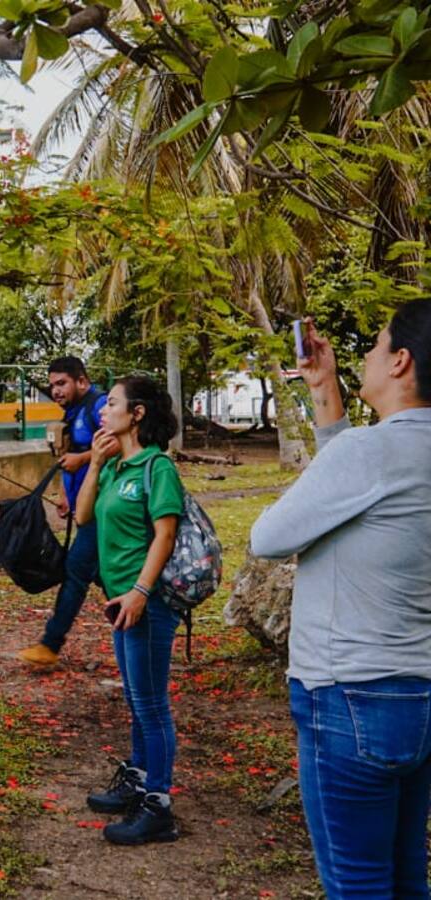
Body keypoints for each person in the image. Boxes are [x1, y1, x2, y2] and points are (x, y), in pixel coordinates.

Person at [251, 303, 431, 899]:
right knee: (406, 876)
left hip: (349, 693)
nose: (368, 356)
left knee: (356, 885)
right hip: (417, 694)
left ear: (401, 361)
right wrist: (325, 389)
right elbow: (362, 486)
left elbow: (268, 539)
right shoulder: (393, 454)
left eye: (377, 345)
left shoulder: (367, 455)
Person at [74, 375, 183, 845]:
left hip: (148, 603)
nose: (102, 410)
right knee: (137, 701)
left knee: (152, 704)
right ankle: (139, 779)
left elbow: (165, 534)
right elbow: (82, 517)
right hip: (119, 601)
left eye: (112, 403)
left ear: (137, 414)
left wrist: (141, 591)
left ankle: (158, 805)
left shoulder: (157, 467)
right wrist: (96, 464)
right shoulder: (119, 466)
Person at [18, 356, 106, 670]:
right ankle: (142, 624)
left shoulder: (100, 406)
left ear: (81, 381)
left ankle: (50, 643)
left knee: (76, 571)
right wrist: (68, 495)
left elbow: (123, 443)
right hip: (86, 508)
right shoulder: (74, 411)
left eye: (62, 383)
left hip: (104, 511)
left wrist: (82, 459)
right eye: (52, 384)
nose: (55, 390)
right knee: (103, 575)